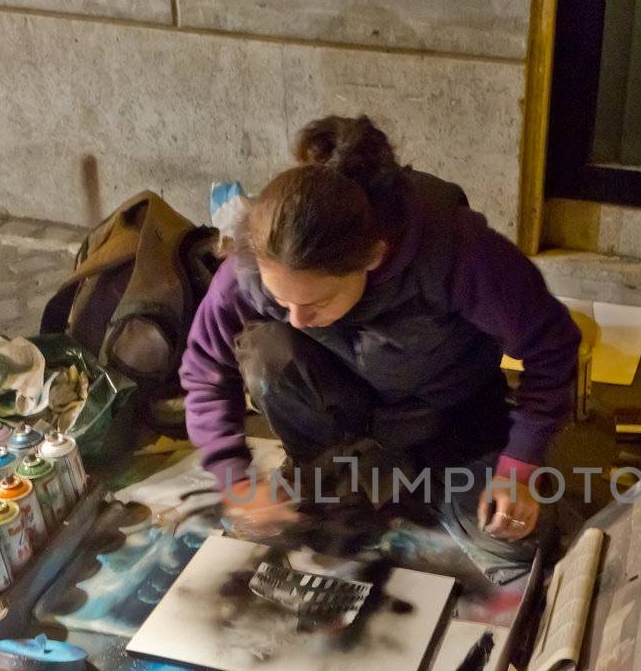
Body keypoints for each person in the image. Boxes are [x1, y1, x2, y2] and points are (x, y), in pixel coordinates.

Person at [179, 115, 580, 577]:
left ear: (373, 256)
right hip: (336, 414)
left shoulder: (456, 250)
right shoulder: (250, 269)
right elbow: (204, 368)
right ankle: (332, 465)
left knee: (519, 549)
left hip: (448, 414)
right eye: (280, 298)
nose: (297, 317)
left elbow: (552, 346)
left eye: (317, 300)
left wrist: (519, 465)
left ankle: (420, 473)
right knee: (270, 349)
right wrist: (234, 477)